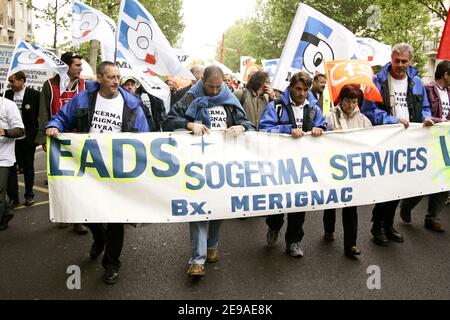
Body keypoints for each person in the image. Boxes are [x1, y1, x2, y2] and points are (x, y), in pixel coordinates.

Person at [45, 62, 150, 284]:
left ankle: (111, 264)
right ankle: (99, 237)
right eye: (111, 77)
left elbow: (144, 137)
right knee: (86, 211)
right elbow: (63, 117)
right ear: (100, 78)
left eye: (118, 77)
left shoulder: (131, 104)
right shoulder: (83, 99)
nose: (116, 81)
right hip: (89, 169)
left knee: (116, 218)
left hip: (118, 170)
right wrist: (53, 126)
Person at [162, 65, 255, 279]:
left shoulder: (229, 98)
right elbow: (167, 121)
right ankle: (197, 260)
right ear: (202, 80)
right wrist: (187, 125)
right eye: (210, 86)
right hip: (196, 165)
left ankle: (212, 246)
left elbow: (248, 124)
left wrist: (242, 127)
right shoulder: (189, 96)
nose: (214, 91)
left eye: (218, 86)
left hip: (222, 166)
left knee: (218, 207)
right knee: (198, 209)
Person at [362, 43, 434, 246]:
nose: (400, 65)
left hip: (409, 142)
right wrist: (392, 120)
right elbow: (369, 110)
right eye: (397, 60)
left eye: (404, 61)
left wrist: (426, 118)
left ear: (410, 61)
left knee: (400, 186)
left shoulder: (417, 81)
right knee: (385, 185)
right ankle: (377, 226)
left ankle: (389, 224)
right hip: (386, 140)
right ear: (391, 59)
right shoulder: (377, 80)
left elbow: (424, 108)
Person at [259, 71, 326, 257]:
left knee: (299, 205)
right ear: (290, 87)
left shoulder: (314, 109)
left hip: (304, 166)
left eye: (305, 89)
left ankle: (294, 241)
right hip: (279, 165)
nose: (302, 93)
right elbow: (264, 129)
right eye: (298, 89)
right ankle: (274, 226)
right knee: (277, 203)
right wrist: (288, 130)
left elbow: (325, 128)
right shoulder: (276, 106)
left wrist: (320, 129)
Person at [36, 51, 88, 234]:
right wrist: (43, 137)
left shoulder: (85, 85)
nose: (81, 68)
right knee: (60, 181)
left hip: (79, 141)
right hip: (57, 141)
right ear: (66, 67)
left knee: (79, 180)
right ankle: (63, 215)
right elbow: (43, 113)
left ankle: (78, 219)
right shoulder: (49, 85)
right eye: (77, 65)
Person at [399, 60, 450, 232]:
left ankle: (432, 218)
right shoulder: (427, 89)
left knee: (444, 181)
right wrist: (438, 121)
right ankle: (407, 204)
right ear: (446, 75)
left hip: (445, 142)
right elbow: (423, 113)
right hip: (427, 140)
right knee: (425, 178)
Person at [323, 84, 372, 257]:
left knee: (351, 207)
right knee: (331, 204)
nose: (351, 106)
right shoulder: (329, 118)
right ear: (340, 100)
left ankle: (350, 244)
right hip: (332, 169)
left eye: (354, 102)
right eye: (347, 101)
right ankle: (328, 230)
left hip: (353, 170)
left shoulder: (364, 120)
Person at [5, 72, 40, 207]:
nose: (10, 84)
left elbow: (39, 116)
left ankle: (29, 195)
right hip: (11, 138)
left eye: (13, 81)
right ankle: (14, 198)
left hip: (27, 138)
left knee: (28, 167)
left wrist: (37, 137)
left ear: (22, 81)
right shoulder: (7, 94)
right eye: (9, 81)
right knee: (11, 168)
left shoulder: (34, 95)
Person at [0, 98, 25, 231]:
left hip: (3, 157)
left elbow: (20, 130)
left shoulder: (8, 105)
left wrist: (5, 132)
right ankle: (6, 212)